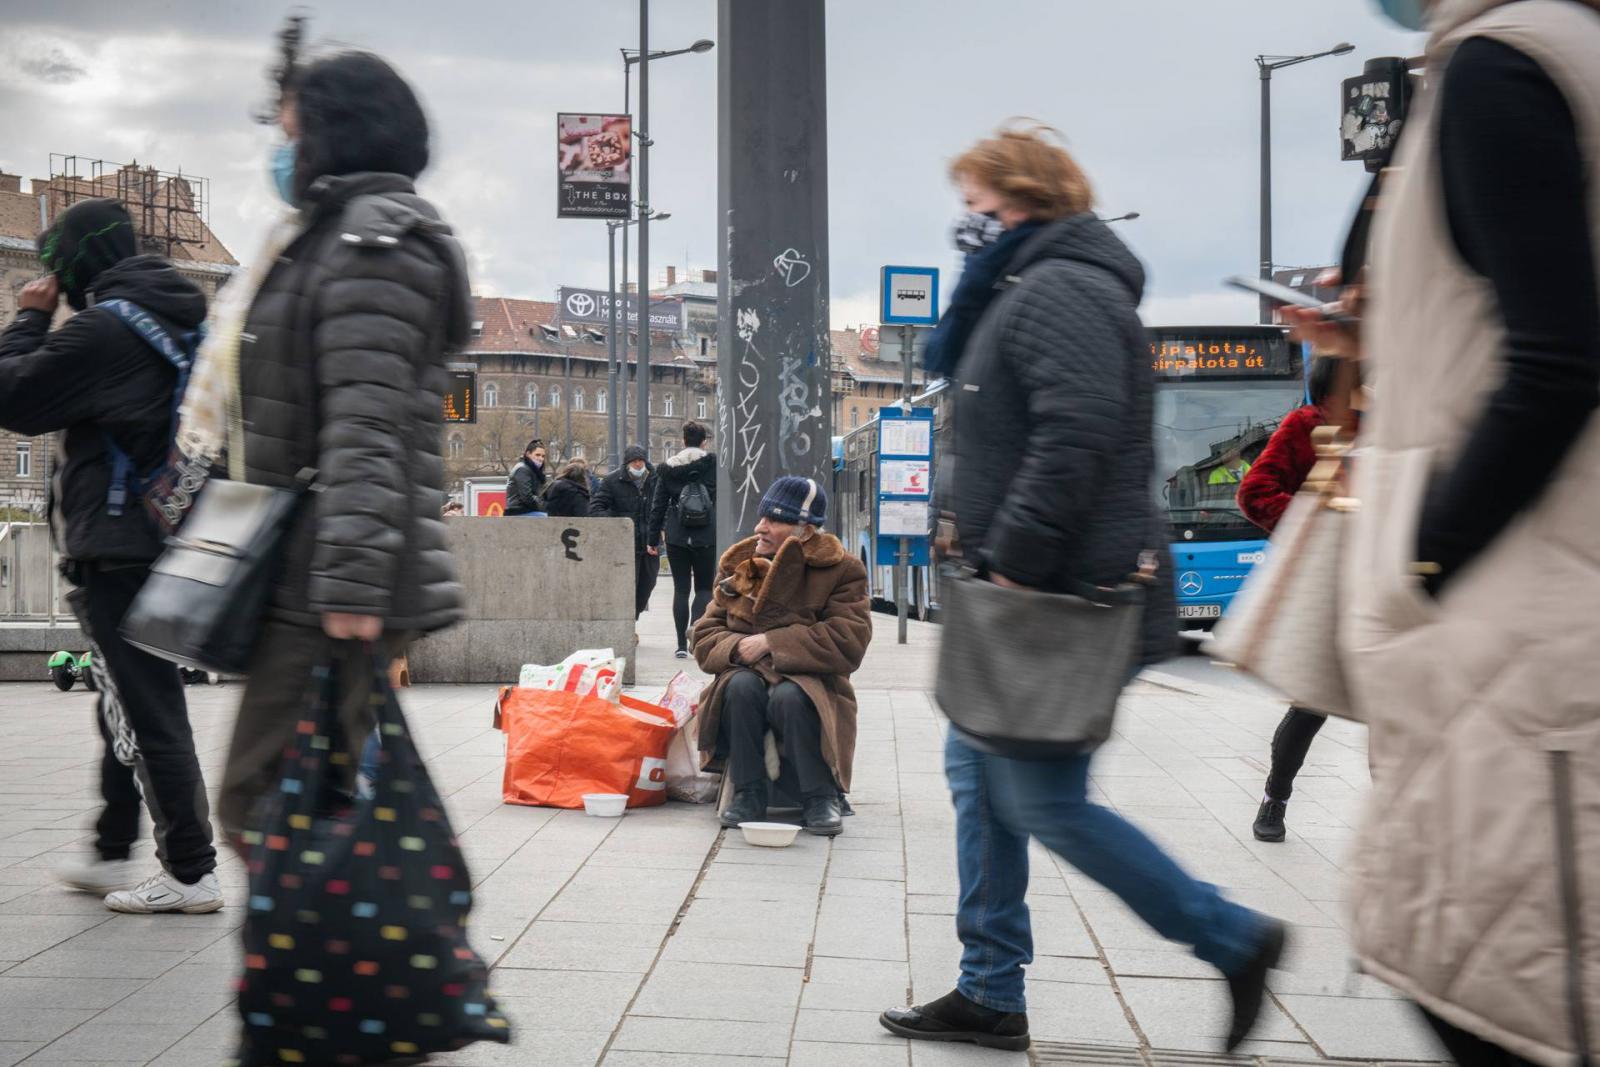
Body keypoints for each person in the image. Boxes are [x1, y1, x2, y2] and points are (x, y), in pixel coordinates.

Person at [880, 125, 1284, 1054]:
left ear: (1023, 199)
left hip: (1054, 597)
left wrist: (1015, 560)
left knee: (1045, 802)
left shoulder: (1062, 287)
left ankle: (1236, 939)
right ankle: (989, 988)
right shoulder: (1025, 286)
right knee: (980, 784)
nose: (967, 223)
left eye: (978, 205)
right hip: (1017, 594)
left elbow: (1078, 434)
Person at [1286, 1, 1600, 1062]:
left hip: (1522, 623)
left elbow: (1558, 362)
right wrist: (1378, 329)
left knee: (1493, 989)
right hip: (1528, 620)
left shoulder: (1501, 64)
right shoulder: (1539, 54)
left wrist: (1421, 559)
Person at [212, 36, 469, 848]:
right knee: (305, 802)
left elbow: (367, 421)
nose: (282, 152)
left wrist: (352, 589)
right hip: (306, 562)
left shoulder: (374, 246)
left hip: (335, 577)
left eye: (291, 134)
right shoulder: (329, 235)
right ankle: (329, 960)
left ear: (334, 134)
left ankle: (336, 965)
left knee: (265, 801)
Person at [0, 198, 222, 913]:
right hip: (177, 536)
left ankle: (190, 869)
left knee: (145, 705)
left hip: (120, 547)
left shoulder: (105, 329)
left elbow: (13, 396)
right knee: (125, 698)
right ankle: (111, 843)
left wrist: (32, 316)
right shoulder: (184, 320)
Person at [692, 476, 870, 837]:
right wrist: (739, 647)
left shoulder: (842, 570)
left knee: (791, 695)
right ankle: (748, 792)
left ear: (804, 530)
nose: (760, 527)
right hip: (744, 671)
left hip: (813, 682)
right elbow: (704, 633)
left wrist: (773, 642)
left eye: (774, 519)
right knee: (740, 687)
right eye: (762, 517)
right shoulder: (740, 564)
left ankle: (820, 796)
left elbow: (849, 639)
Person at [1235, 356, 1344, 843]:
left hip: (1383, 581)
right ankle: (1274, 800)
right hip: (1327, 584)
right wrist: (1319, 531)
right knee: (1311, 704)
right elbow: (1255, 492)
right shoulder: (1306, 425)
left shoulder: (1390, 426)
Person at [650, 420, 717, 658]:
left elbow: (658, 505)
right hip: (707, 534)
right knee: (703, 588)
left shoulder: (669, 468)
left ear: (683, 441)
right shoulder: (713, 465)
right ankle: (694, 635)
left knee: (680, 589)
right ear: (704, 442)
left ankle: (679, 645)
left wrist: (652, 539)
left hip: (677, 535)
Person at [590, 444, 661, 619]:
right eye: (634, 461)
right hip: (626, 546)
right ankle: (629, 624)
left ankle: (634, 616)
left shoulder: (656, 479)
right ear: (627, 463)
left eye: (641, 460)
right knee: (627, 587)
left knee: (648, 585)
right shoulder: (612, 481)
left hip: (650, 544)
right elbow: (595, 507)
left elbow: (664, 505)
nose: (638, 464)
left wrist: (663, 526)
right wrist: (617, 524)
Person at [505, 438, 548, 516]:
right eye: (537, 455)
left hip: (526, 510)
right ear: (528, 454)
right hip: (518, 511)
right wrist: (545, 506)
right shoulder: (522, 469)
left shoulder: (535, 471)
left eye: (543, 456)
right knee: (547, 518)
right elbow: (527, 497)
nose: (541, 459)